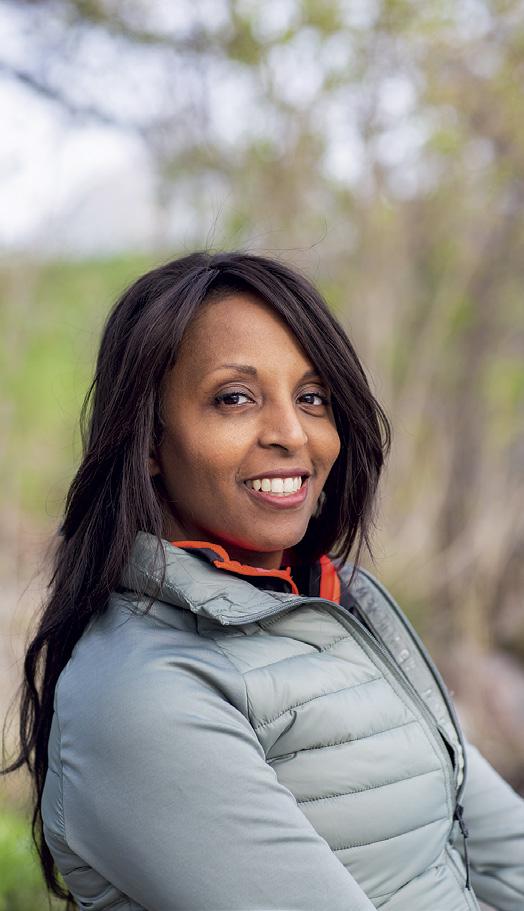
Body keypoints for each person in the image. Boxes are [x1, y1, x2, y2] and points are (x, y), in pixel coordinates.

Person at [3, 251, 523, 911]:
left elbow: (503, 851)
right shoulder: (141, 694)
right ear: (150, 440)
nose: (291, 433)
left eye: (312, 397)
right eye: (235, 398)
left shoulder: (346, 603)